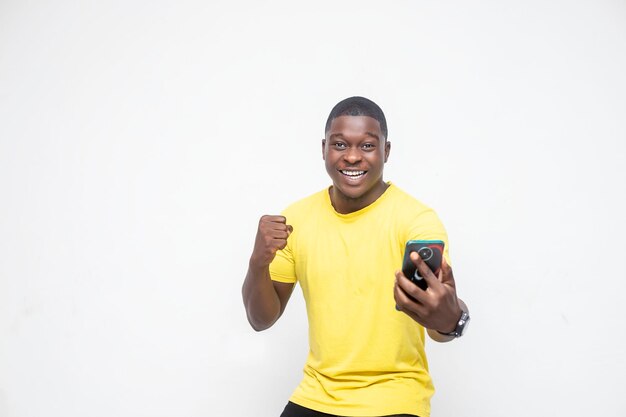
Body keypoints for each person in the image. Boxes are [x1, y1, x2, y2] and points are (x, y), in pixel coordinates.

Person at [242, 96, 470, 417]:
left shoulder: (416, 222)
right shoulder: (295, 220)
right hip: (317, 394)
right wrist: (258, 262)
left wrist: (451, 320)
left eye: (366, 146)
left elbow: (436, 320)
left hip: (395, 397)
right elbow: (260, 320)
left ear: (385, 152)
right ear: (324, 148)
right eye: (340, 144)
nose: (351, 157)